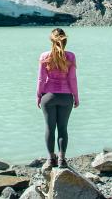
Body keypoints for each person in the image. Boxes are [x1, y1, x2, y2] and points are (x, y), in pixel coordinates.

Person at [36, 28, 79, 169]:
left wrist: (38, 95)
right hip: (66, 97)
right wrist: (76, 97)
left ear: (51, 40)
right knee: (63, 128)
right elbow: (72, 79)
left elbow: (41, 79)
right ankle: (62, 159)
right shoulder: (71, 56)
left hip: (48, 97)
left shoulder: (44, 56)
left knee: (49, 128)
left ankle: (50, 160)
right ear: (65, 41)